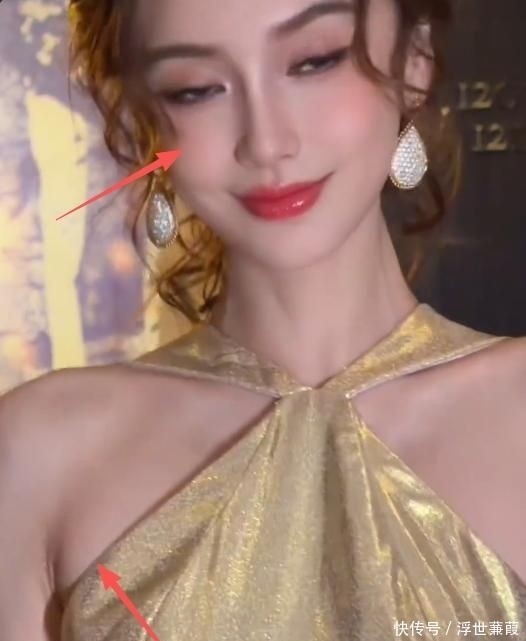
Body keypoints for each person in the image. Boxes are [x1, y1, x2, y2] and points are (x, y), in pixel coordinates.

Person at [1, 0, 526, 639]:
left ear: (415, 59)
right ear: (139, 118)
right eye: (196, 89)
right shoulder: (41, 455)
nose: (267, 142)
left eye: (315, 60)